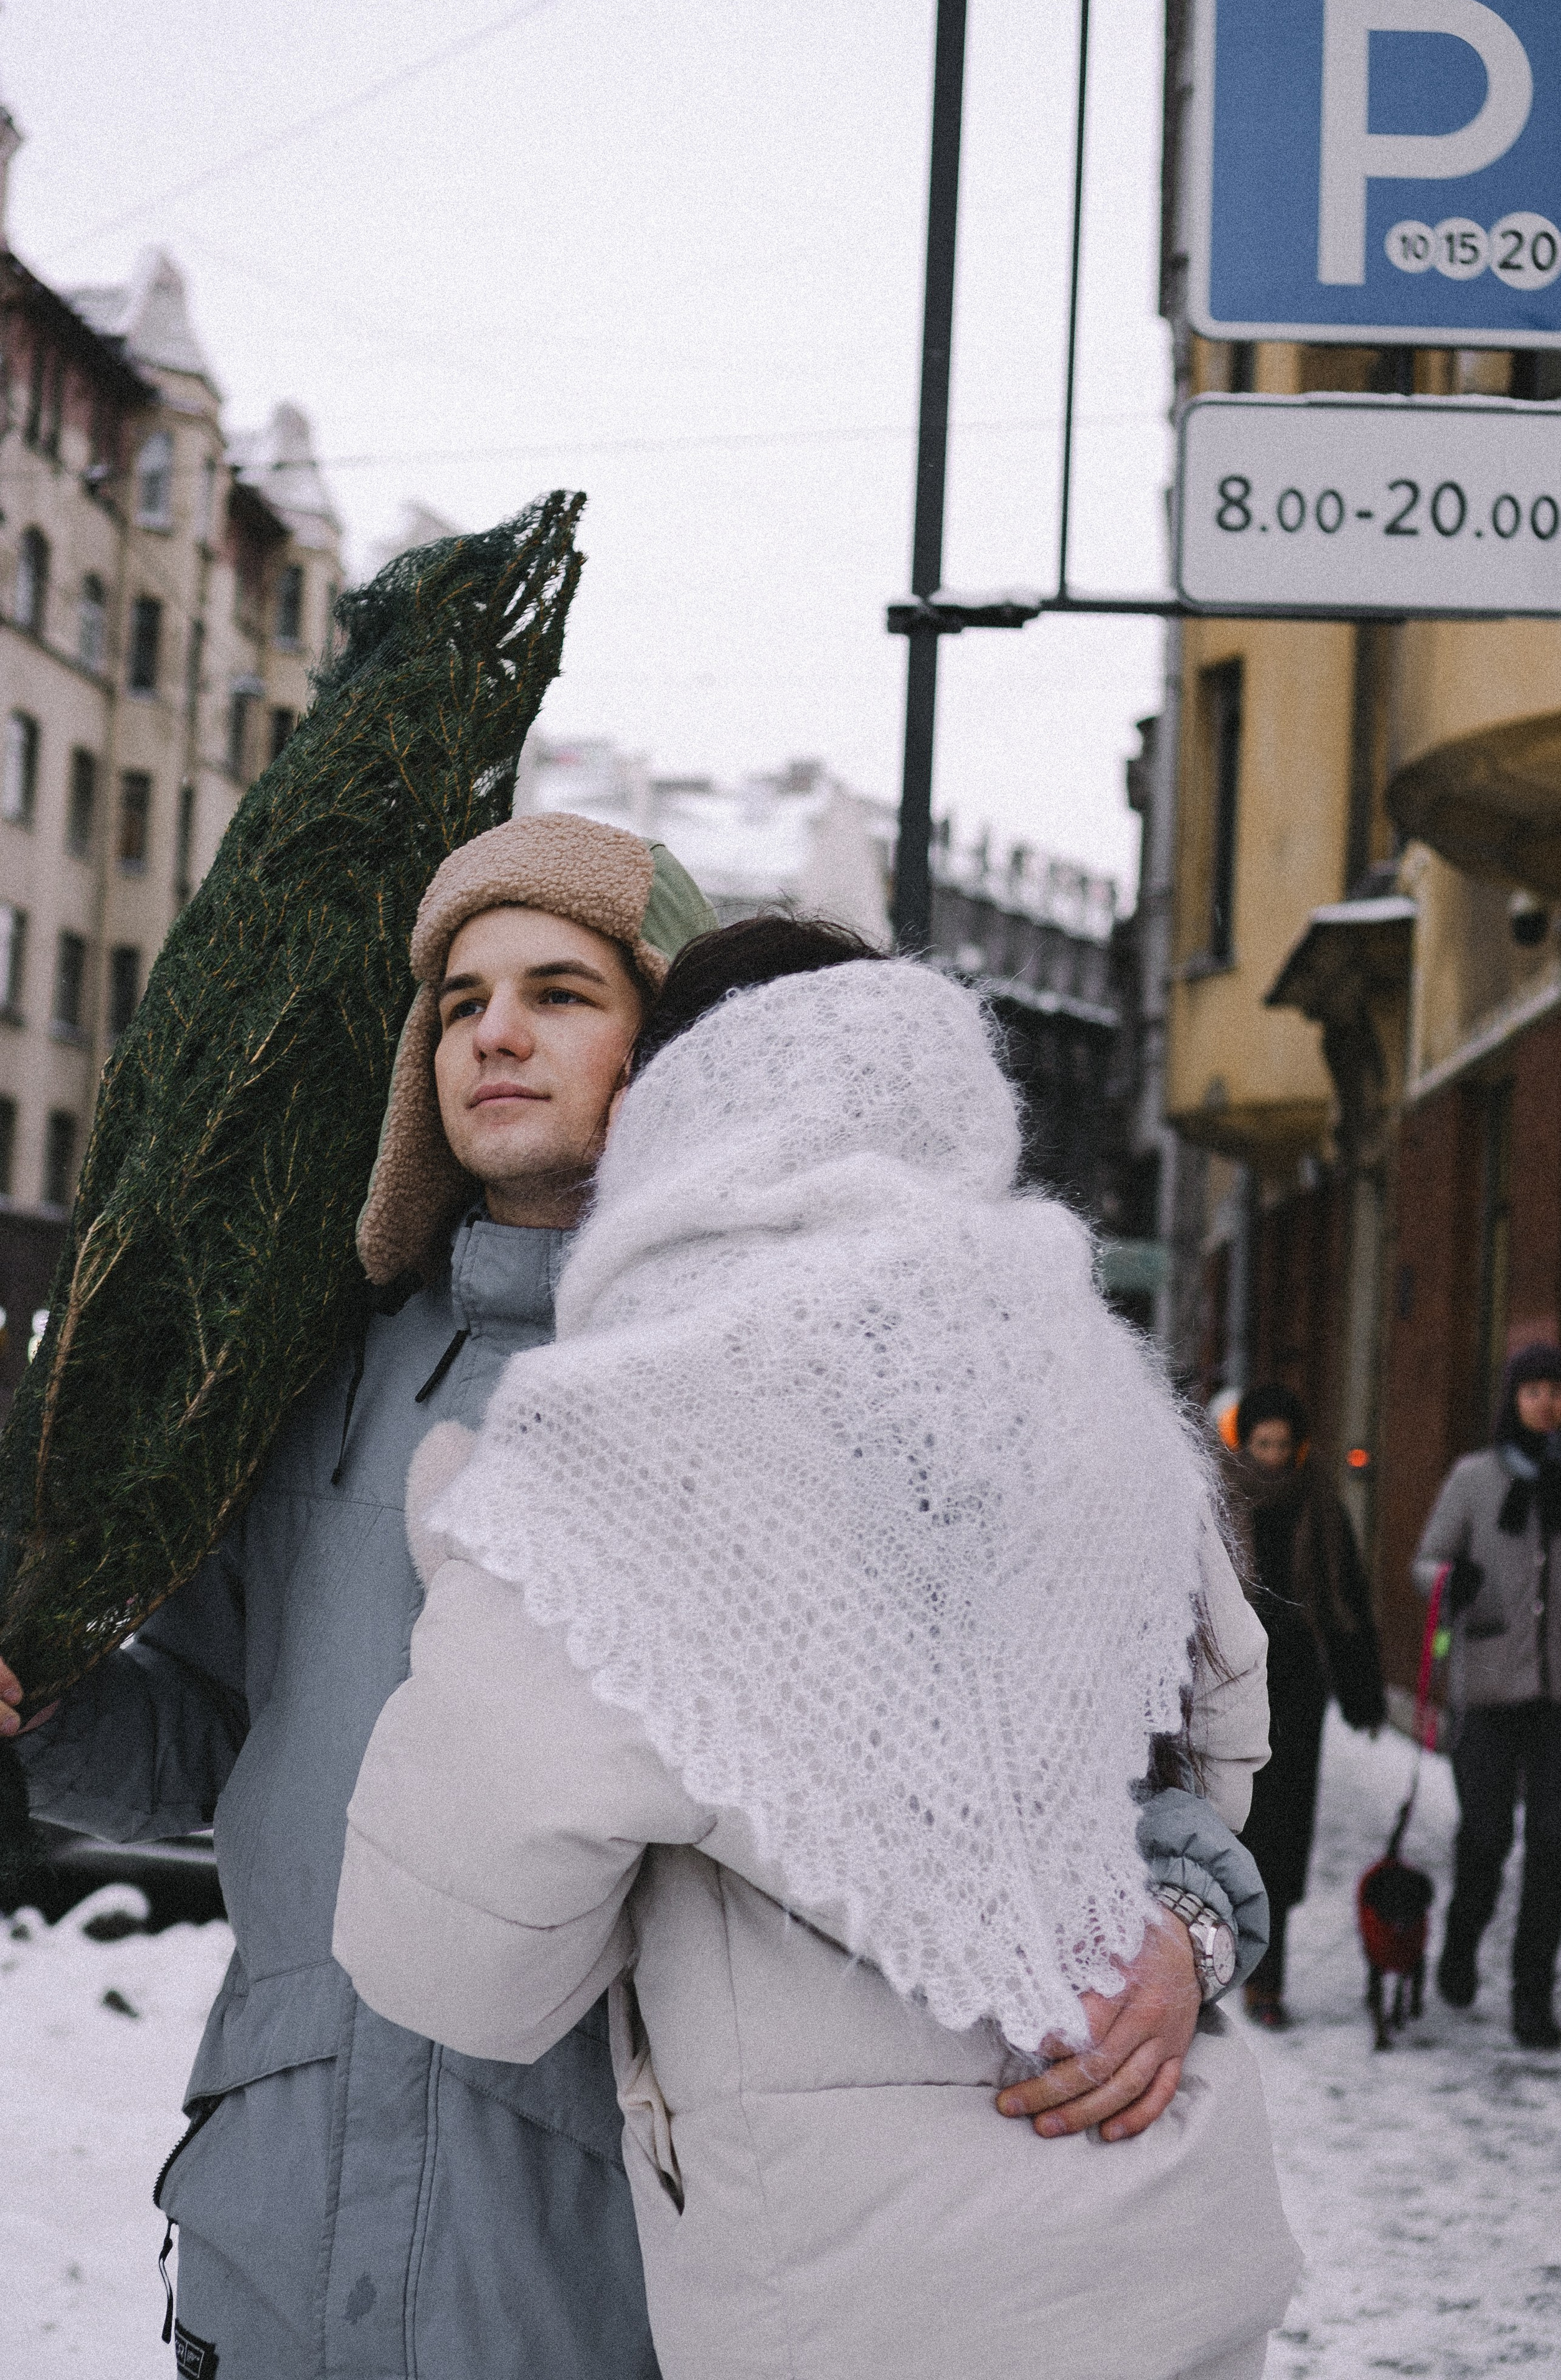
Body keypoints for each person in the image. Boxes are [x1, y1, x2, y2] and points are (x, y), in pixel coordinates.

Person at [1, 873, 1271, 2380]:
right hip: (280, 2211)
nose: (497, 1037)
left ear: (676, 1053)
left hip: (607, 2253)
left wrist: (1188, 1927)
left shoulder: (827, 1382)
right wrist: (51, 1710)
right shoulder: (310, 1385)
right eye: (460, 1003)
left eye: (562, 993)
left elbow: (1112, 1760)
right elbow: (226, 1737)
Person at [333, 926, 1301, 2380]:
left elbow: (449, 1966)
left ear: (675, 1114)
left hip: (863, 2309)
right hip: (1172, 2246)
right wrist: (1180, 1931)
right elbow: (1207, 1770)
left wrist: (476, 1571)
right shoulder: (1095, 1377)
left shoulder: (613, 1450)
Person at [1414, 1342, 1561, 2051]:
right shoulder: (1473, 1479)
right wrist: (1446, 1582)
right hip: (1486, 1687)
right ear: (1512, 1403)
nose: (1545, 1404)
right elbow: (1425, 1559)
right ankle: (1461, 1944)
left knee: (1551, 1844)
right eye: (1532, 1393)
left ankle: (1532, 1995)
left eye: (1557, 1392)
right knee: (1485, 1838)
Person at [1227, 1383, 1387, 2028]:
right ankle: (1224, 1957)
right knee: (1237, 1827)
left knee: (1284, 1836)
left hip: (1295, 1685)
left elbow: (1346, 1599)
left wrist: (1361, 1691)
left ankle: (1267, 1980)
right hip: (1233, 1683)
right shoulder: (1216, 1500)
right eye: (1261, 1444)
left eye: (1282, 1446)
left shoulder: (1320, 1503)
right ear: (1244, 1443)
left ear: (1298, 1448)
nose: (1270, 1457)